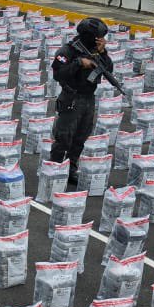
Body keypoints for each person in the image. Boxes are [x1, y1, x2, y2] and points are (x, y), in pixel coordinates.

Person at [51, 18, 115, 189]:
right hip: (71, 98)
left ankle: (71, 168)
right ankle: (55, 169)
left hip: (88, 98)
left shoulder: (95, 50)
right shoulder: (67, 51)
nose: (100, 40)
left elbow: (108, 69)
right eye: (98, 37)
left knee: (81, 136)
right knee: (64, 137)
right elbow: (58, 74)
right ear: (89, 35)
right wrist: (79, 63)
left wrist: (102, 53)